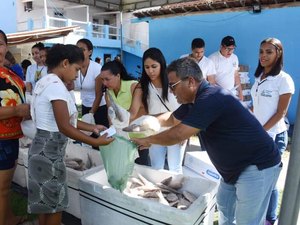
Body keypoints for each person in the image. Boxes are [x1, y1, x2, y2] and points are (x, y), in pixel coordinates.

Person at [132, 57, 282, 225]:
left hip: (256, 165)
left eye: (173, 86)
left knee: (247, 221)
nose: (171, 91)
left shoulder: (211, 98)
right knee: (225, 209)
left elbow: (178, 134)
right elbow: (171, 118)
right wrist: (144, 121)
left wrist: (148, 140)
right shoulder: (193, 101)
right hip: (232, 169)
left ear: (190, 81)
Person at [27, 44, 114, 225]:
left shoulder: (45, 81)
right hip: (48, 154)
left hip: (41, 150)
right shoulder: (56, 86)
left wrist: (92, 128)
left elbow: (64, 120)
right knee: (55, 207)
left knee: (46, 206)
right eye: (76, 69)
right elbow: (64, 127)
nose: (77, 74)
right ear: (65, 63)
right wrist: (94, 140)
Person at [251, 37, 295, 225]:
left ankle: (270, 219)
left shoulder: (284, 80)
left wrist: (261, 131)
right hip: (258, 134)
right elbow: (257, 106)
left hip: (273, 136)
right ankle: (257, 216)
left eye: (269, 52)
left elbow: (281, 113)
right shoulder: (259, 77)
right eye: (261, 51)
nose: (263, 55)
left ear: (278, 54)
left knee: (269, 182)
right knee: (256, 179)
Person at [130, 48, 186, 173]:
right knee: (156, 167)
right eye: (147, 67)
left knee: (175, 168)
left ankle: (175, 192)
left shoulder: (172, 81)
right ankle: (158, 191)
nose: (150, 71)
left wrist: (184, 131)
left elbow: (184, 105)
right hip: (155, 131)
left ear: (162, 64)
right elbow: (133, 111)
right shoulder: (142, 86)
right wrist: (120, 122)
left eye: (154, 66)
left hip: (176, 128)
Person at [0, 29, 30, 225]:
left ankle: (8, 217)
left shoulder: (10, 73)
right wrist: (17, 110)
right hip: (2, 140)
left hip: (11, 138)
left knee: (5, 188)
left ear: (6, 46)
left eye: (0, 44)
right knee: (2, 188)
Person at [100, 60, 148, 165]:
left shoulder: (134, 86)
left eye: (107, 79)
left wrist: (116, 125)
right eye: (102, 80)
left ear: (118, 75)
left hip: (138, 137)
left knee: (141, 169)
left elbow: (133, 113)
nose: (104, 83)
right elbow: (110, 116)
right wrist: (111, 132)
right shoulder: (108, 93)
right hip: (122, 139)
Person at [74, 38, 109, 128]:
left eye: (83, 50)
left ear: (90, 52)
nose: (79, 52)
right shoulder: (74, 67)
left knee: (101, 134)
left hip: (99, 107)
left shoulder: (97, 68)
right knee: (88, 136)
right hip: (85, 105)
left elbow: (99, 94)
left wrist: (92, 112)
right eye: (77, 49)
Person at [209, 36, 243, 100]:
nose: (230, 51)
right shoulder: (212, 59)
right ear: (221, 46)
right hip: (217, 95)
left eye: (232, 48)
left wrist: (240, 93)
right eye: (228, 48)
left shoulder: (234, 58)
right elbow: (210, 80)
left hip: (231, 94)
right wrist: (223, 91)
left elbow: (236, 75)